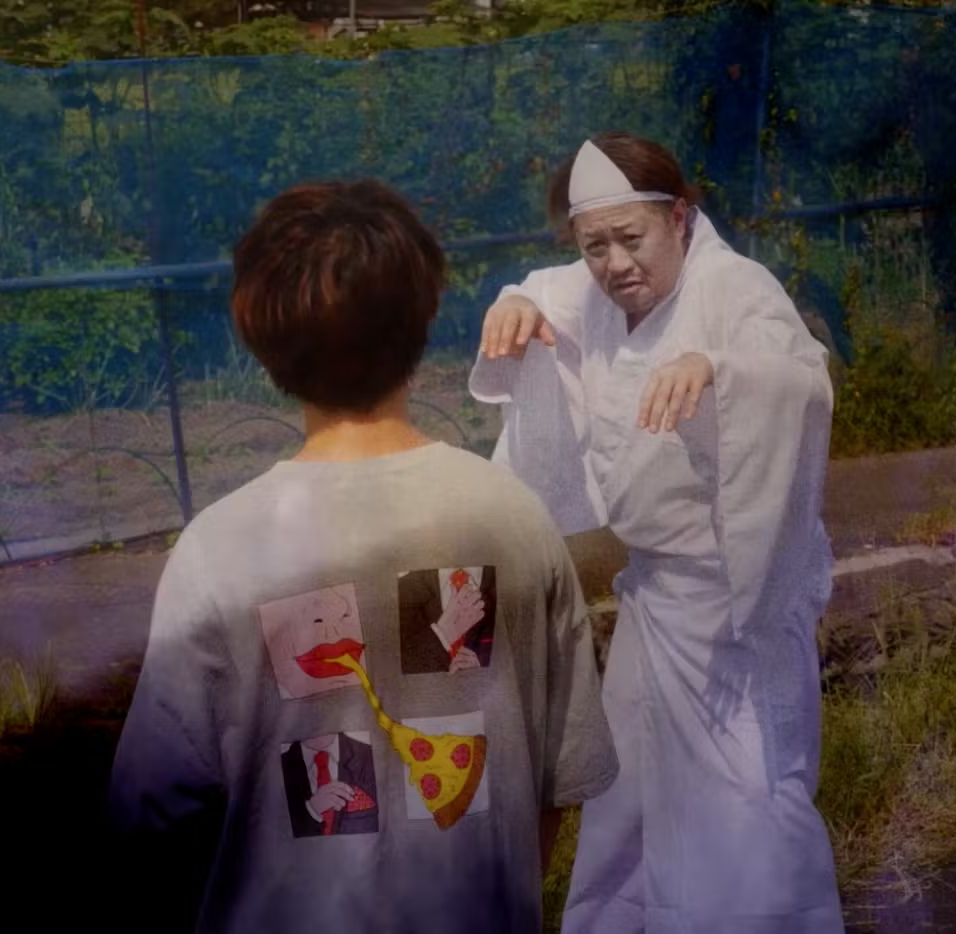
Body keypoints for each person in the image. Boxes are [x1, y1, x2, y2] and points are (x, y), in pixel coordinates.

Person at [107, 179, 619, 934]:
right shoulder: (514, 515)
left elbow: (155, 811)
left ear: (258, 332)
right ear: (423, 317)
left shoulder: (218, 547)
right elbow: (558, 779)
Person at [469, 131, 845, 933]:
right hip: (654, 599)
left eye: (631, 239)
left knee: (748, 797)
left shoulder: (733, 287)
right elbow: (543, 290)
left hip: (734, 604)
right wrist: (515, 302)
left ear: (679, 217)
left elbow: (802, 378)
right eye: (593, 246)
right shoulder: (597, 289)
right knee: (633, 797)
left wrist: (719, 371)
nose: (614, 264)